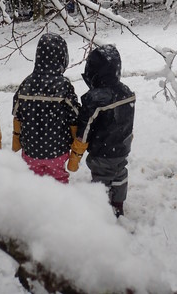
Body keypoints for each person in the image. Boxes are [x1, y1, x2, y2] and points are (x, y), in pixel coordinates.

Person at [67, 45, 135, 217]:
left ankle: (103, 210)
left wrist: (76, 154)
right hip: (122, 147)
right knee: (120, 173)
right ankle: (118, 203)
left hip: (102, 151)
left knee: (101, 179)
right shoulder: (126, 92)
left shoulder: (95, 99)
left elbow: (86, 128)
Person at [12, 33, 79, 184]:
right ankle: (57, 203)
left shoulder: (26, 83)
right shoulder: (64, 85)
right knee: (58, 179)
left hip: (30, 149)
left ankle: (36, 203)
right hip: (57, 149)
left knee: (34, 181)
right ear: (63, 58)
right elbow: (74, 115)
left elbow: (17, 113)